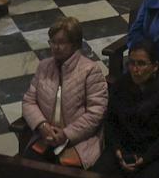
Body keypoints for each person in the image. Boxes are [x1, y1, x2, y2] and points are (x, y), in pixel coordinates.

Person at [21, 17, 110, 167]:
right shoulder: (44, 66)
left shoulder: (90, 70)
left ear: (75, 44)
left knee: (61, 173)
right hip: (45, 137)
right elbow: (29, 101)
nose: (55, 47)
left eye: (61, 43)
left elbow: (96, 112)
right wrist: (42, 125)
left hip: (78, 141)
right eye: (52, 42)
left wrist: (66, 134)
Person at [101, 40, 159, 178]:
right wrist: (117, 151)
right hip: (126, 149)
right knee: (100, 172)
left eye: (141, 63)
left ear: (155, 66)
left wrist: (145, 158)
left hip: (158, 154)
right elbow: (110, 122)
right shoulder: (121, 85)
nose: (135, 69)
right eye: (131, 63)